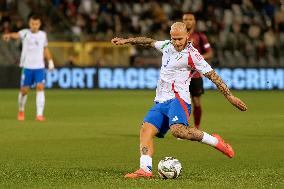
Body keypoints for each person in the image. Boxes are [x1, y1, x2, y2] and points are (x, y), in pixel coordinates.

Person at [111, 22, 247, 179]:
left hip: (178, 99)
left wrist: (229, 96)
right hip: (161, 101)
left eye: (180, 39)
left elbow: (212, 75)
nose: (176, 42)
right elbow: (148, 41)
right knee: (145, 130)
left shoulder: (192, 55)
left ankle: (216, 142)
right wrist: (127, 40)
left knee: (178, 131)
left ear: (187, 37)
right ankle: (145, 170)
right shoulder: (167, 46)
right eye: (174, 38)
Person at [2, 13, 54, 121]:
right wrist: (8, 35)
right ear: (29, 23)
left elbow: (45, 48)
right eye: (32, 23)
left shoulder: (43, 35)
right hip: (27, 67)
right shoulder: (25, 33)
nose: (34, 26)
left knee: (40, 87)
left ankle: (39, 114)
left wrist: (50, 61)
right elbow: (16, 35)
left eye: (36, 24)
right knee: (24, 90)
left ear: (39, 24)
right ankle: (21, 110)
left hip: (39, 67)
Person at [183, 12, 213, 129]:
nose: (188, 21)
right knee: (182, 103)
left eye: (190, 19)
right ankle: (183, 128)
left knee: (196, 102)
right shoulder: (178, 36)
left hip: (195, 75)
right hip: (181, 76)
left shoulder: (201, 36)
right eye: (185, 19)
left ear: (194, 21)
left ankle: (196, 127)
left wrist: (197, 58)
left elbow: (210, 53)